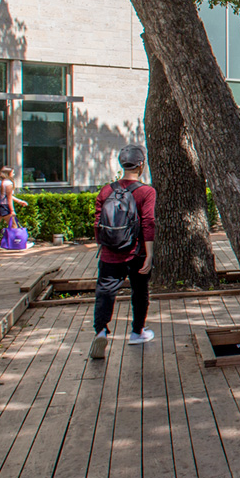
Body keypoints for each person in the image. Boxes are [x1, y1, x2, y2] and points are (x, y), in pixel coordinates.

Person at [89, 145, 157, 359]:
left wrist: (104, 244)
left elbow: (97, 222)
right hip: (136, 252)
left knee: (105, 290)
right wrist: (149, 254)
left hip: (110, 252)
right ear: (141, 165)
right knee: (140, 292)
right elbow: (148, 222)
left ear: (121, 164)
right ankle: (137, 332)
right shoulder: (146, 191)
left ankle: (101, 330)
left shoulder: (106, 190)